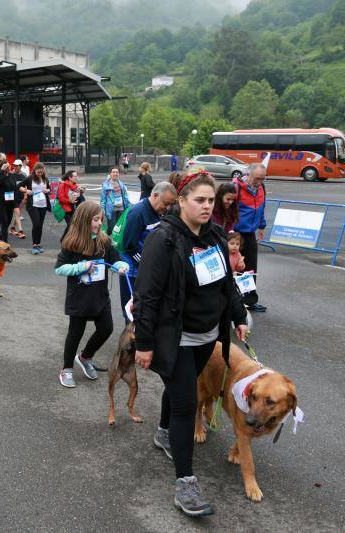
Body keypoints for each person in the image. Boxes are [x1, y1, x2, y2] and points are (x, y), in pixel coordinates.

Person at [132, 172, 248, 517]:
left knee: (180, 391)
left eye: (210, 200)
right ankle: (185, 484)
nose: (206, 206)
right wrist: (145, 341)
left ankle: (164, 433)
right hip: (175, 337)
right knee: (186, 402)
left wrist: (239, 315)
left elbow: (226, 284)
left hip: (207, 337)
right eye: (200, 200)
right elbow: (147, 295)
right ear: (181, 201)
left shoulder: (214, 235)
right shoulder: (163, 239)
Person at [55, 201, 128, 388]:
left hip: (100, 296)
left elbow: (115, 259)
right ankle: (67, 369)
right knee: (75, 333)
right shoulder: (71, 242)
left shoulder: (103, 240)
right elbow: (60, 269)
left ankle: (85, 357)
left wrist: (121, 266)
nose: (99, 223)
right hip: (79, 297)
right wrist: (80, 267)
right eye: (96, 219)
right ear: (84, 219)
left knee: (107, 328)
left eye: (101, 219)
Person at [118, 181, 177, 319]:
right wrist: (146, 264)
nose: (168, 208)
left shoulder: (157, 211)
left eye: (170, 204)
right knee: (132, 310)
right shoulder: (138, 213)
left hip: (145, 268)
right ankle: (131, 337)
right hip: (132, 271)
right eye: (166, 203)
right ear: (155, 195)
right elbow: (129, 245)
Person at [233, 163, 267, 312]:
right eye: (257, 178)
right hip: (236, 233)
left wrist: (262, 226)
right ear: (248, 174)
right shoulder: (236, 187)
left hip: (250, 232)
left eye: (262, 178)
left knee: (250, 268)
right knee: (233, 266)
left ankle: (249, 300)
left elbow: (261, 207)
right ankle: (232, 300)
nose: (259, 182)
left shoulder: (262, 188)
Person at [19, 162, 50, 254]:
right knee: (36, 224)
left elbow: (49, 189)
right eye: (38, 172)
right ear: (34, 171)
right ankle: (34, 245)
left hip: (43, 204)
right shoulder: (30, 178)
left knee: (40, 225)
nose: (40, 174)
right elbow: (18, 186)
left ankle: (38, 244)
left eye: (41, 172)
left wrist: (47, 190)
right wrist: (26, 190)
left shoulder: (45, 179)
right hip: (33, 205)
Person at [0, 163, 19, 243]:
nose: (8, 168)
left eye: (9, 166)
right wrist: (2, 171)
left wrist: (16, 203)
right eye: (6, 167)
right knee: (4, 222)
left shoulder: (11, 176)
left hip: (10, 203)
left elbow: (15, 188)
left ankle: (1, 235)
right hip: (1, 203)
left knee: (8, 221)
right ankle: (5, 243)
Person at [100, 167, 131, 234]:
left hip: (121, 209)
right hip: (111, 210)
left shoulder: (121, 184)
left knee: (120, 228)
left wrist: (129, 207)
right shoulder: (106, 185)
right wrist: (102, 210)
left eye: (117, 172)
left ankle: (117, 242)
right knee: (112, 228)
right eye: (113, 172)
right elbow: (103, 199)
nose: (115, 173)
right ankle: (110, 242)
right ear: (110, 174)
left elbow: (125, 197)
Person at [57, 170, 83, 238]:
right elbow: (61, 198)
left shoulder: (76, 186)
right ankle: (65, 240)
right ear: (70, 177)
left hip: (74, 207)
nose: (76, 177)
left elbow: (78, 196)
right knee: (71, 225)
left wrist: (81, 191)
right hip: (65, 208)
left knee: (72, 225)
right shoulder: (63, 185)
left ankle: (65, 239)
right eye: (75, 176)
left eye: (77, 176)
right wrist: (70, 201)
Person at [8, 159, 27, 239]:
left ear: (20, 166)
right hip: (13, 196)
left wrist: (25, 196)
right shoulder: (11, 174)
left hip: (21, 197)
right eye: (14, 165)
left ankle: (12, 228)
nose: (15, 167)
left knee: (18, 213)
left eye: (17, 165)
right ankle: (20, 231)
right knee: (17, 212)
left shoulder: (24, 175)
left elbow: (27, 186)